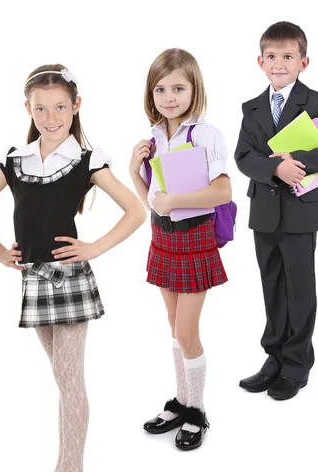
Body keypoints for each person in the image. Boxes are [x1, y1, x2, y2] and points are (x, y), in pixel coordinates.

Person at [0, 64, 146, 472]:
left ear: (76, 106)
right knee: (61, 376)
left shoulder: (87, 159)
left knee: (70, 377)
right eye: (40, 108)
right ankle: (62, 471)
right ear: (27, 109)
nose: (51, 116)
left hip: (69, 279)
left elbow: (136, 211)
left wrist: (94, 247)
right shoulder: (14, 158)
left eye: (60, 107)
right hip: (34, 277)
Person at [235, 21, 318, 400]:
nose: (279, 63)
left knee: (300, 289)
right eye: (272, 56)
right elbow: (243, 157)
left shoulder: (317, 102)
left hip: (301, 212)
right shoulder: (251, 108)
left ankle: (297, 365)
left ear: (304, 61)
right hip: (264, 213)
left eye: (288, 56)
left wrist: (295, 160)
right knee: (272, 288)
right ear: (260, 61)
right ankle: (274, 358)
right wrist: (274, 169)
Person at [130, 48, 232, 450]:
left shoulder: (205, 133)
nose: (168, 96)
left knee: (187, 332)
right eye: (160, 89)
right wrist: (132, 172)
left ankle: (198, 411)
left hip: (194, 238)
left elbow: (223, 189)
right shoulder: (155, 136)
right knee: (174, 328)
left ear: (194, 89)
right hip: (162, 236)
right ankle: (181, 401)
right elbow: (154, 200)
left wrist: (176, 202)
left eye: (178, 87)